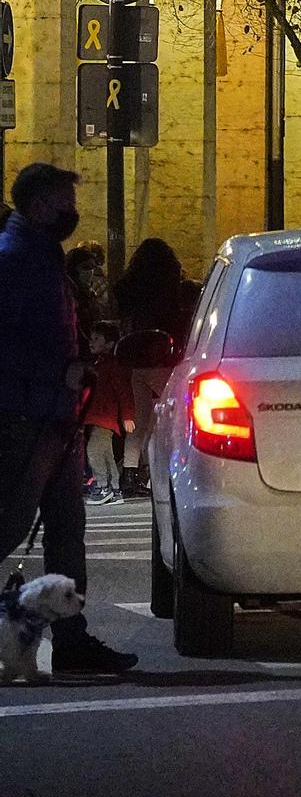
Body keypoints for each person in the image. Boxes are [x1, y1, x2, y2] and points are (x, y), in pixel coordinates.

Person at [0, 163, 137, 677]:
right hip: (25, 416)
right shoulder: (15, 261)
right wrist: (61, 369)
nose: (71, 213)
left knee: (66, 529)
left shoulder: (38, 256)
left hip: (54, 417)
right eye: (64, 202)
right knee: (10, 525)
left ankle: (71, 639)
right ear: (39, 206)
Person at [113, 238, 199, 491]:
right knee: (175, 417)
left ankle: (129, 474)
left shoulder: (129, 289)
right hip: (163, 356)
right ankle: (157, 475)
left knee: (140, 420)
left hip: (135, 357)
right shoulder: (170, 291)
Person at [83, 324, 134, 504]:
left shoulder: (111, 365)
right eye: (92, 338)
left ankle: (102, 486)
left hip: (104, 418)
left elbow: (123, 391)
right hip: (97, 418)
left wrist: (128, 415)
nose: (91, 342)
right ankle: (115, 489)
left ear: (110, 343)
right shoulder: (96, 364)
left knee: (94, 451)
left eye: (97, 339)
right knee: (106, 453)